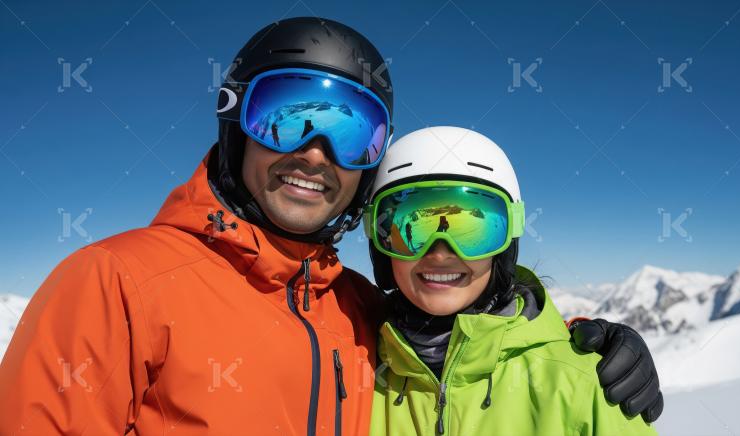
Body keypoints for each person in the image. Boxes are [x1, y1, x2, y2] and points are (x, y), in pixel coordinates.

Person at [0, 18, 661, 435]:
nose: (315, 152)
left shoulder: (359, 310)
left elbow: (468, 344)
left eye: (353, 131)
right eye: (285, 114)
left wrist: (581, 340)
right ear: (234, 124)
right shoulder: (118, 282)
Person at [365, 126, 658, 435]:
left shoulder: (585, 385)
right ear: (380, 246)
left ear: (506, 247)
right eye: (413, 228)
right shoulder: (352, 369)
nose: (440, 253)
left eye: (472, 230)